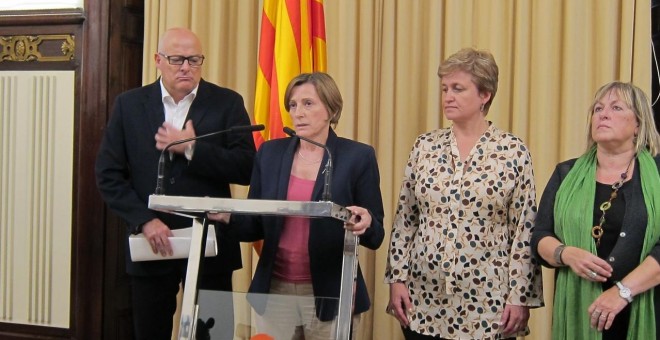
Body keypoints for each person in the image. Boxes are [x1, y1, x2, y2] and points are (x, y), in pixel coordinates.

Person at [95, 27, 256, 340]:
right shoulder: (129, 105)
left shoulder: (227, 103)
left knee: (215, 334)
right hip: (154, 243)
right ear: (157, 60)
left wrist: (192, 148)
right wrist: (144, 221)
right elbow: (108, 174)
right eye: (177, 59)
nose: (186, 67)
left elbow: (248, 168)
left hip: (211, 244)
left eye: (194, 60)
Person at [384, 48, 544, 340]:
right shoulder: (424, 146)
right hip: (423, 302)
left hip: (487, 305)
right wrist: (397, 278)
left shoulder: (512, 151)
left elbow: (524, 229)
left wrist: (519, 296)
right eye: (445, 88)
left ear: (485, 95)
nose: (448, 96)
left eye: (458, 88)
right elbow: (406, 218)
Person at [211, 72, 385, 339]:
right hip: (275, 291)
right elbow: (253, 224)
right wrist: (226, 217)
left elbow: (376, 234)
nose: (298, 113)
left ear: (331, 108)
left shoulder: (357, 157)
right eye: (293, 105)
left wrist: (365, 221)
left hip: (330, 293)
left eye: (308, 104)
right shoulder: (270, 153)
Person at [531, 81, 660, 339]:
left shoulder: (658, 174)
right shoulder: (565, 173)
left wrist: (623, 291)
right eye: (598, 108)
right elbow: (540, 235)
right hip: (581, 313)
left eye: (616, 107)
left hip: (644, 310)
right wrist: (565, 253)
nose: (603, 114)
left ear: (638, 124)